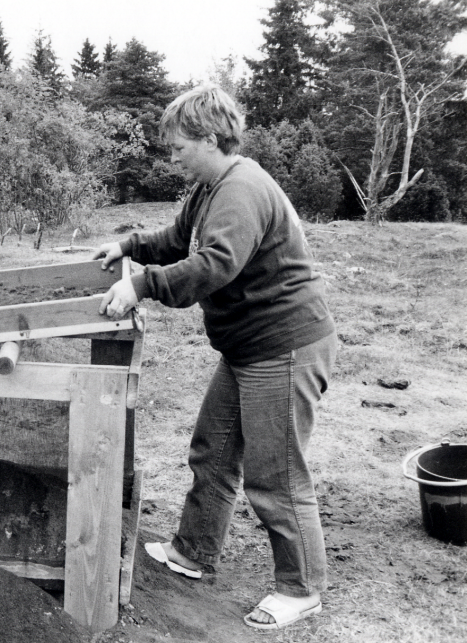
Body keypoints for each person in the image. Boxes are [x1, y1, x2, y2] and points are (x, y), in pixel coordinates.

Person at [93, 84, 337, 631]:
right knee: (214, 450)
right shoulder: (209, 186)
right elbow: (181, 238)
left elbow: (216, 263)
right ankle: (194, 552)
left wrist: (143, 286)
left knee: (275, 473)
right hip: (248, 347)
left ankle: (301, 588)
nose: (172, 156)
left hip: (286, 345)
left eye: (179, 146)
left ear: (209, 138)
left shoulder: (242, 189)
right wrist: (131, 247)